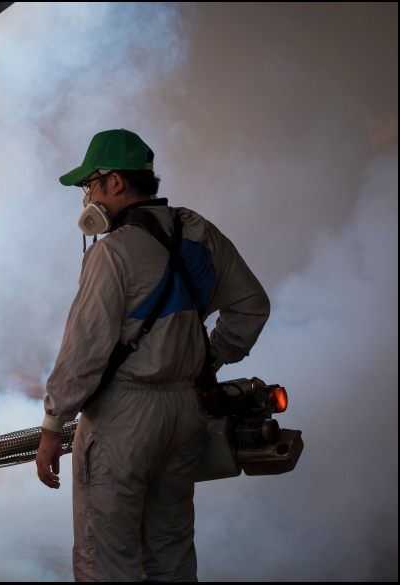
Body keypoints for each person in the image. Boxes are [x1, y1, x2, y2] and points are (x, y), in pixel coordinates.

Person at [35, 130, 270, 581]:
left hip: (124, 418)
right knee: (170, 551)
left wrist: (52, 426)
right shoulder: (197, 231)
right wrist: (208, 362)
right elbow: (251, 305)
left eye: (91, 184)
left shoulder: (113, 252)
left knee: (107, 559)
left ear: (116, 183)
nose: (87, 195)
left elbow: (82, 352)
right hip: (185, 413)